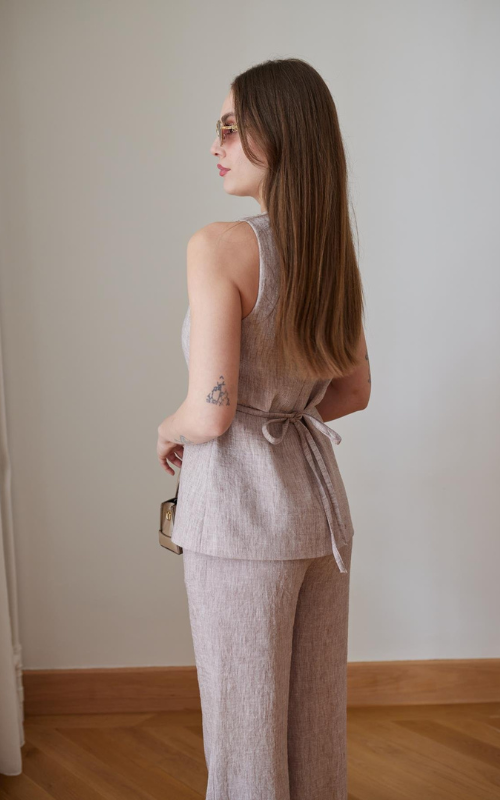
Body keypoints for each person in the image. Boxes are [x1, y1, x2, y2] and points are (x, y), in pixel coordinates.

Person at [157, 57, 371, 800]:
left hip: (239, 518)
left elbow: (210, 409)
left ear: (277, 137)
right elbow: (353, 391)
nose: (215, 144)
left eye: (230, 127)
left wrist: (167, 427)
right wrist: (283, 412)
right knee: (315, 741)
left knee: (245, 747)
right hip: (319, 516)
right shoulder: (329, 251)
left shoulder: (218, 246)